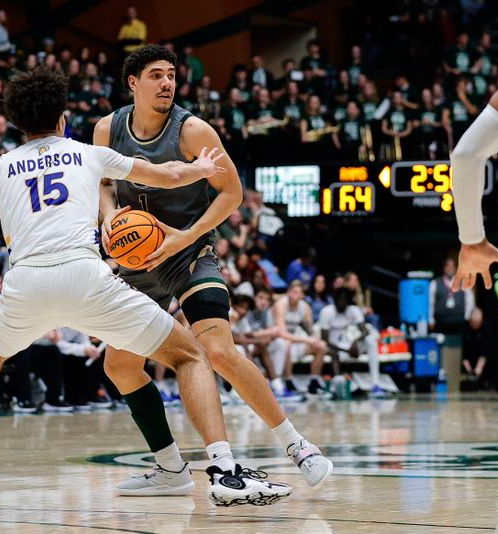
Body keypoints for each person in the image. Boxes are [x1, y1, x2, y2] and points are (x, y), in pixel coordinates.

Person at [0, 67, 293, 515]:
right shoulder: (87, 154)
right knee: (188, 355)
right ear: (63, 118)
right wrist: (200, 168)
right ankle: (224, 472)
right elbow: (165, 175)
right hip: (85, 279)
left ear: (18, 124)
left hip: (26, 285)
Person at [96, 45, 331, 495]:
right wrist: (108, 217)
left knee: (220, 351)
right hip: (137, 255)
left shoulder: (192, 130)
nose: (167, 83)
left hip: (187, 251)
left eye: (172, 75)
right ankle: (170, 470)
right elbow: (101, 184)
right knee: (121, 364)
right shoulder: (107, 128)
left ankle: (297, 445)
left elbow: (231, 192)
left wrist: (184, 237)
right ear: (133, 82)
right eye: (157, 75)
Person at [317, 287, 386, 397]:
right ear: (335, 299)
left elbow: (365, 331)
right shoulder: (326, 311)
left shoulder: (353, 310)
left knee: (370, 340)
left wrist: (355, 342)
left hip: (348, 344)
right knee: (332, 352)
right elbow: (325, 339)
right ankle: (336, 382)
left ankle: (375, 384)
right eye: (340, 299)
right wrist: (347, 349)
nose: (342, 301)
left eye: (345, 299)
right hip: (334, 348)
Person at [269, 281, 329, 397]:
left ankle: (314, 381)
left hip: (293, 340)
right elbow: (281, 333)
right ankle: (287, 381)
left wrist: (314, 338)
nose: (293, 294)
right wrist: (306, 340)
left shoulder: (304, 307)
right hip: (274, 341)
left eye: (297, 292)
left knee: (321, 345)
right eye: (292, 291)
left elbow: (309, 329)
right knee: (286, 342)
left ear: (302, 295)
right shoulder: (281, 304)